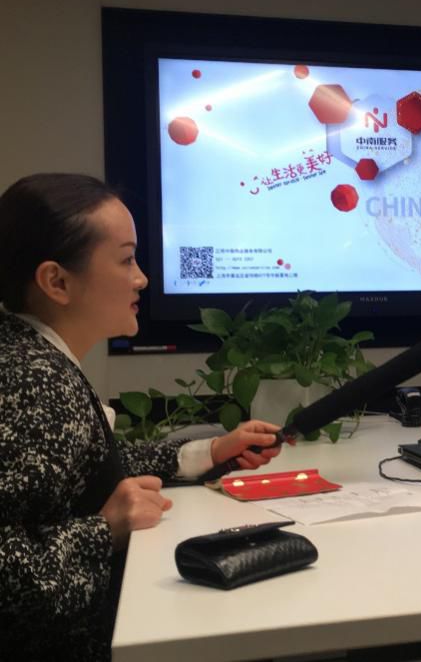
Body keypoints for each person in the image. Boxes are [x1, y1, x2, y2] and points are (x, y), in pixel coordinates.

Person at [0, 173, 286, 660]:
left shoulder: (31, 357)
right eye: (126, 259)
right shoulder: (33, 382)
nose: (142, 279)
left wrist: (209, 453)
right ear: (57, 282)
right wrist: (103, 531)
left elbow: (88, 469)